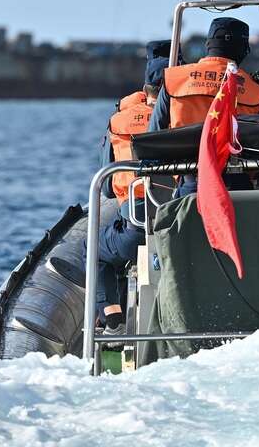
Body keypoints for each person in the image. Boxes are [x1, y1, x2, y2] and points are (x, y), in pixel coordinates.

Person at [149, 16, 259, 195]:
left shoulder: (174, 79)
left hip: (191, 185)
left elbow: (154, 135)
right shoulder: (257, 91)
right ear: (244, 48)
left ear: (209, 44)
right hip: (238, 188)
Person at [94, 54, 169, 331]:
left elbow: (108, 187)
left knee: (96, 249)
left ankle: (112, 316)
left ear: (145, 89)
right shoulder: (185, 120)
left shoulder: (119, 121)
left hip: (138, 225)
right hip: (181, 221)